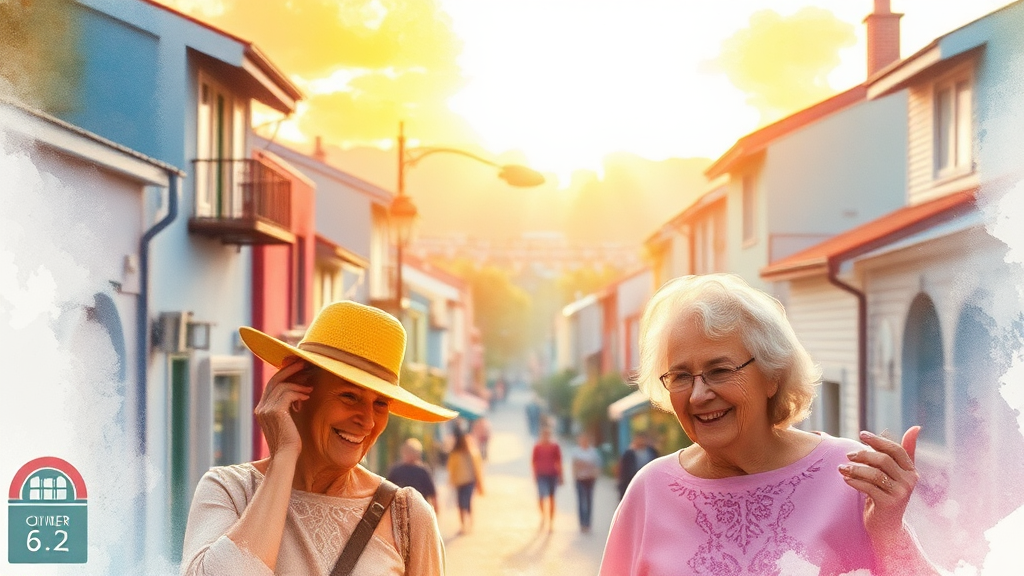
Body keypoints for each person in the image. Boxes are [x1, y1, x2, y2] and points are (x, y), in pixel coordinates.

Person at [599, 274, 940, 576]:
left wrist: (890, 535)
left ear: (772, 376)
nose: (698, 395)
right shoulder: (649, 492)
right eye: (681, 376)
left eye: (720, 370)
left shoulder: (852, 477)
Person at [180, 301, 457, 576]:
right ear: (297, 392)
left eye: (381, 404)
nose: (368, 420)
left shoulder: (407, 517)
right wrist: (284, 456)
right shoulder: (229, 491)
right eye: (350, 396)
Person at [446, 425, 484, 534]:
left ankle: (465, 525)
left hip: (463, 482)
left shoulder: (460, 454)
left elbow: (451, 468)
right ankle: (467, 524)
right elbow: (477, 468)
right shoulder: (470, 453)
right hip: (467, 482)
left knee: (462, 503)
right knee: (466, 503)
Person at [387, 438, 438, 514]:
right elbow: (433, 495)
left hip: (400, 512)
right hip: (419, 511)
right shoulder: (423, 471)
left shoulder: (396, 470)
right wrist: (436, 512)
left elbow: (386, 493)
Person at [531, 423, 563, 532]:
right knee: (541, 497)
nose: (546, 437)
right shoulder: (537, 447)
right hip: (541, 475)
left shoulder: (555, 446)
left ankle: (551, 522)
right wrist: (534, 475)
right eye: (544, 434)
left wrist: (561, 476)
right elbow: (533, 462)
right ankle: (543, 516)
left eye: (547, 434)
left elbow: (559, 461)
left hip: (552, 475)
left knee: (551, 499)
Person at [570, 432, 601, 533]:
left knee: (589, 501)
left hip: (590, 479)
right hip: (580, 479)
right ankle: (582, 523)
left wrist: (594, 474)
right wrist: (575, 476)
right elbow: (574, 465)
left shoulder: (593, 452)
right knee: (581, 501)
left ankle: (588, 523)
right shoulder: (576, 451)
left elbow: (597, 465)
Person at [616, 430, 657, 500]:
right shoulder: (629, 454)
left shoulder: (652, 452)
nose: (641, 441)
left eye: (643, 439)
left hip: (649, 484)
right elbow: (623, 472)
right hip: (633, 483)